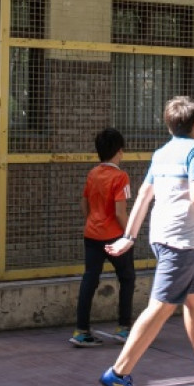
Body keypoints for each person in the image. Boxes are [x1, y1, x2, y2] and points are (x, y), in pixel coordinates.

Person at [98, 96, 194, 386]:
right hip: (181, 243)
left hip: (162, 236)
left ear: (169, 125)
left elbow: (143, 196)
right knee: (161, 307)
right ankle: (118, 373)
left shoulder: (162, 153)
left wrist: (129, 237)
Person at [70, 127, 137, 347]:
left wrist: (91, 220)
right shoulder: (121, 176)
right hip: (115, 236)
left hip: (92, 234)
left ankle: (81, 330)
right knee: (127, 278)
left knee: (90, 278)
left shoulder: (93, 173)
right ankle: (123, 327)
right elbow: (120, 212)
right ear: (120, 151)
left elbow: (84, 202)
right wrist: (130, 234)